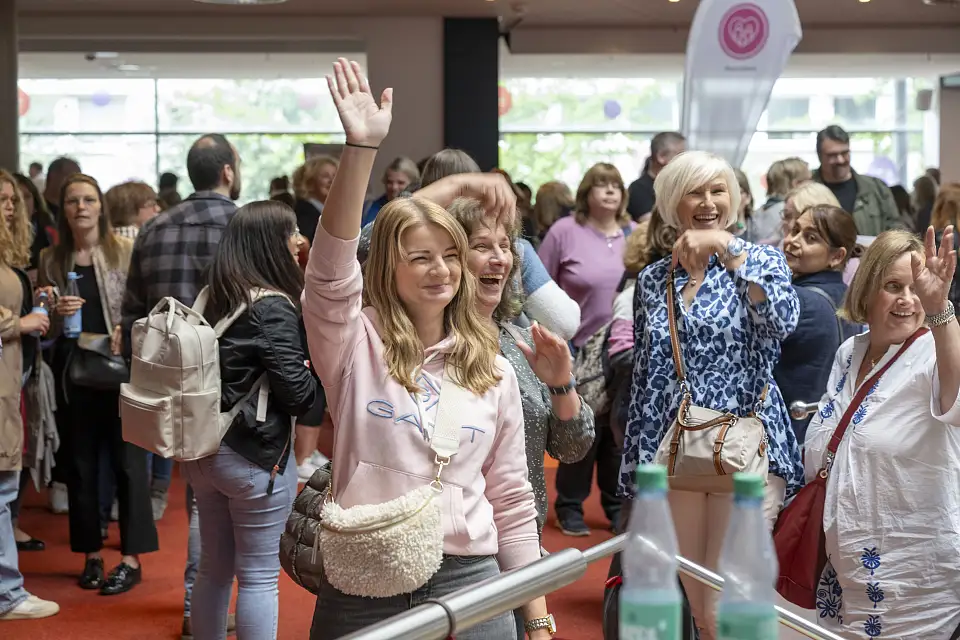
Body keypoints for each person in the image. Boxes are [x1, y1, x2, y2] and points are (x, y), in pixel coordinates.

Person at [302, 58, 553, 639]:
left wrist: (537, 622)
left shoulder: (491, 367)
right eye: (420, 256)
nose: (440, 270)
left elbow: (512, 498)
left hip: (473, 581)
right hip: (366, 580)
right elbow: (329, 270)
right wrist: (360, 148)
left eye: (449, 254)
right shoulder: (353, 342)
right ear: (389, 267)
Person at [619, 151, 802, 640]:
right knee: (700, 606)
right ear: (670, 204)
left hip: (746, 448)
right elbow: (648, 380)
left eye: (717, 191)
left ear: (734, 200)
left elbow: (781, 323)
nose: (706, 203)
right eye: (693, 193)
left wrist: (728, 248)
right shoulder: (655, 279)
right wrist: (637, 468)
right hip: (677, 450)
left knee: (731, 605)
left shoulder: (762, 261)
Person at [805, 228, 960, 639]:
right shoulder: (850, 352)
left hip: (916, 580)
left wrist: (940, 309)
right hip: (844, 573)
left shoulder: (934, 354)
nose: (908, 299)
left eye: (916, 289)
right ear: (868, 288)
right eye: (893, 286)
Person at [121, 133, 241, 638]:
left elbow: (131, 314)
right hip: (230, 378)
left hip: (167, 378)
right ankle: (200, 609)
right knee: (216, 502)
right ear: (228, 173)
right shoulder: (243, 225)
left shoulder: (153, 229)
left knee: (199, 494)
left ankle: (200, 608)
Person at [184, 201, 317, 640]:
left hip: (203, 448)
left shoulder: (213, 294)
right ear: (269, 244)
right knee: (259, 576)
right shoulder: (271, 306)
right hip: (253, 456)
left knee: (214, 571)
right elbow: (296, 394)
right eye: (291, 232)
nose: (299, 240)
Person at [39, 173, 158, 595]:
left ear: (101, 207)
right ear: (64, 209)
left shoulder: (125, 250)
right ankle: (91, 554)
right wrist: (54, 312)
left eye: (89, 200)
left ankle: (131, 557)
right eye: (74, 201)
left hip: (122, 369)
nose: (82, 207)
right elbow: (46, 325)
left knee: (130, 466)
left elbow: (145, 305)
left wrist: (129, 327)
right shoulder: (52, 258)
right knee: (82, 467)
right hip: (75, 371)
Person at [0, 169, 59, 621]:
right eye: (1, 198)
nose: (10, 206)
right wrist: (17, 324)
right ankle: (8, 593)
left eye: (13, 199)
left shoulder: (7, 255)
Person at [776, 204, 861, 444]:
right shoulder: (849, 297)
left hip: (789, 437)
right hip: (831, 435)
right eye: (794, 230)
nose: (793, 241)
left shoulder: (798, 300)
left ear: (837, 256)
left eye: (810, 238)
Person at [812, 125, 901, 236]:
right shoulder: (807, 192)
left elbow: (896, 231)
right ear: (820, 156)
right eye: (832, 155)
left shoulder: (876, 189)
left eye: (844, 153)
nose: (840, 160)